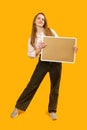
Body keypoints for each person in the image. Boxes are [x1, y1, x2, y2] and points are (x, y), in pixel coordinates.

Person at [10, 12, 77, 120]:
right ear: (34, 21)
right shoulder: (32, 37)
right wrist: (39, 49)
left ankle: (52, 110)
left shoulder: (51, 31)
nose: (41, 20)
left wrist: (72, 49)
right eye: (39, 18)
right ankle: (18, 107)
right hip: (43, 61)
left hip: (56, 62)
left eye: (43, 19)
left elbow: (61, 44)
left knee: (55, 87)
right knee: (32, 85)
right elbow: (31, 55)